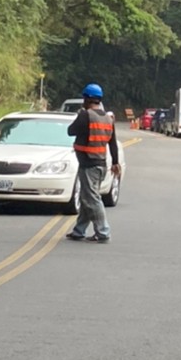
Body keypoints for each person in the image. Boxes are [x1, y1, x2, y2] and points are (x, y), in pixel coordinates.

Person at [66, 83, 121, 243]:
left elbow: (70, 131)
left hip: (88, 164)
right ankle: (79, 231)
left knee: (92, 199)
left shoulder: (86, 115)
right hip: (101, 164)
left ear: (87, 99)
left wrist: (80, 115)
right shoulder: (108, 119)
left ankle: (103, 232)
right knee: (87, 197)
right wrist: (115, 162)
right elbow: (112, 143)